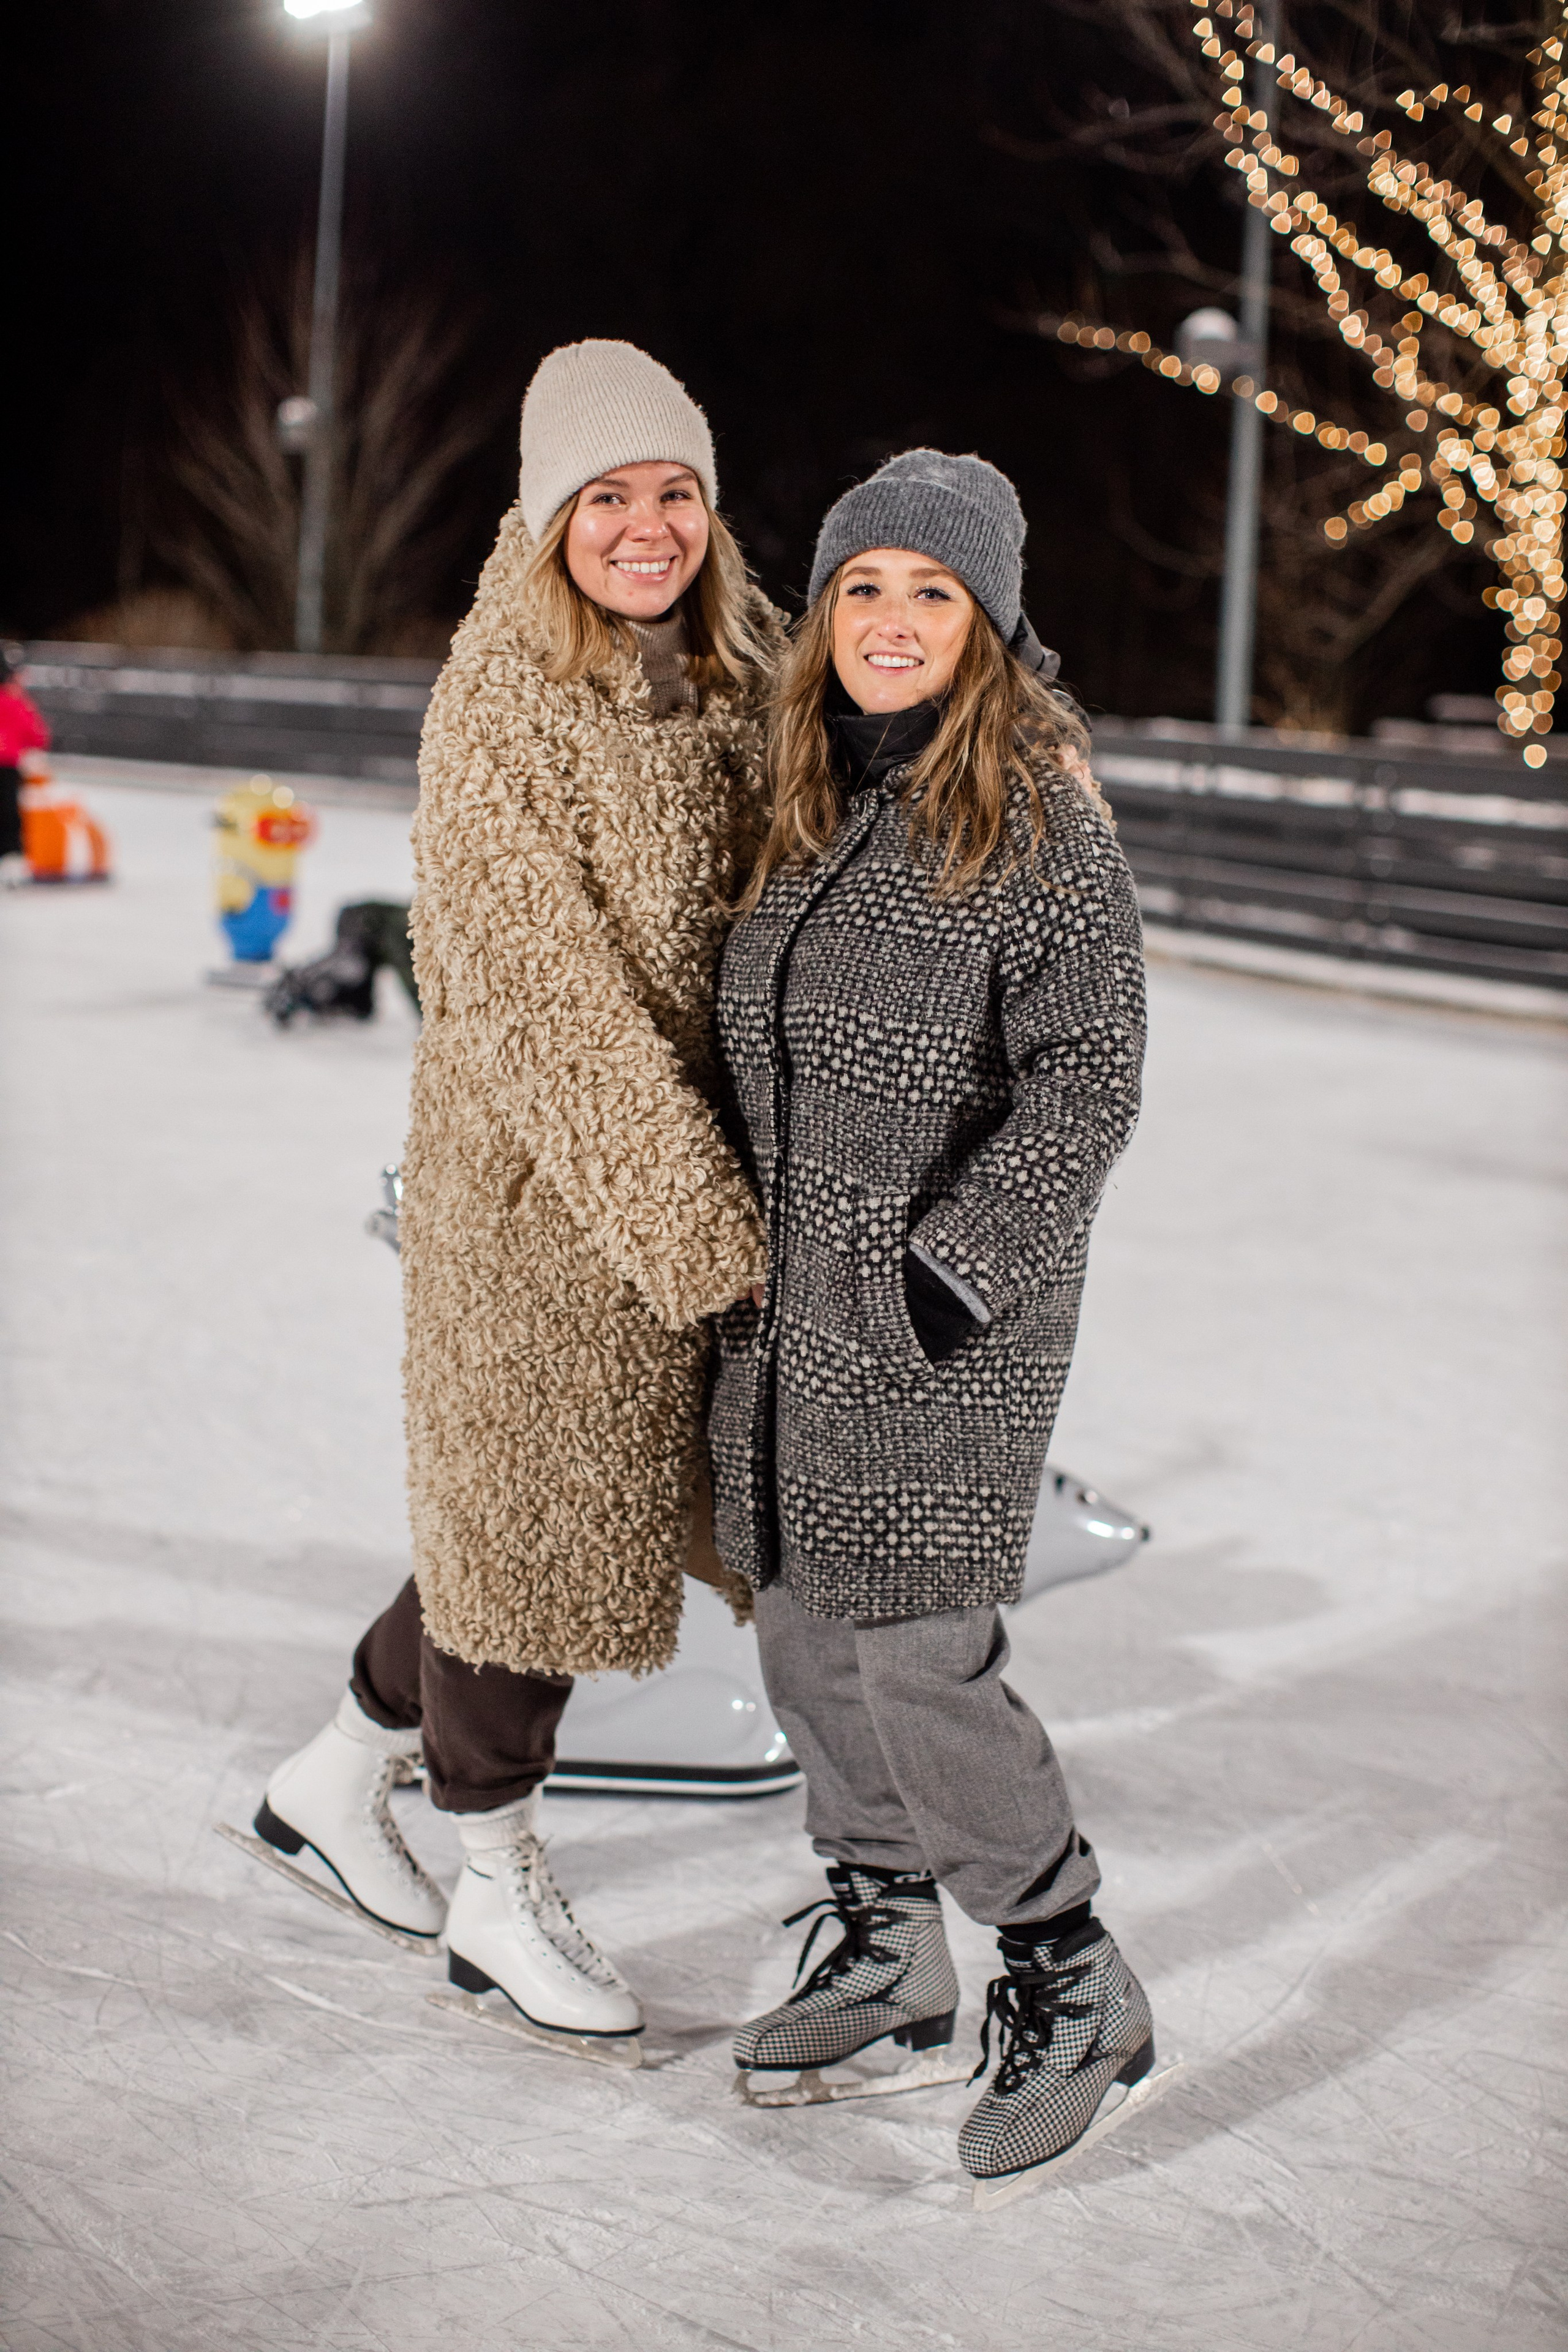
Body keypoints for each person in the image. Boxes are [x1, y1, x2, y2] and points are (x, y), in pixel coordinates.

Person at [247, 342, 783, 2052]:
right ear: (547, 516)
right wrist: (709, 1239)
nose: (645, 527)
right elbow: (552, 1012)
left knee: (535, 1518)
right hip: (545, 1195)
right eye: (606, 498)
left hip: (689, 1178)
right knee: (540, 1535)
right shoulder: (500, 699)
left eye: (672, 492)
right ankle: (497, 1881)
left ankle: (335, 1777)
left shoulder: (733, 670)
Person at [709, 450, 1153, 2186]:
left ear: (989, 622)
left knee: (914, 1651)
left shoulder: (1034, 816)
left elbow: (1090, 1079)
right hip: (784, 1314)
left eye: (932, 594)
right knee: (806, 1633)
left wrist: (946, 1268)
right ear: (825, 614)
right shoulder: (813, 790)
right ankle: (888, 1942)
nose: (893, 622)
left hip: (942, 1317)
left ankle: (1067, 1971)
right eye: (867, 589)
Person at [0, 649, 50, 886]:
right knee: (10, 814)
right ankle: (11, 862)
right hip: (8, 767)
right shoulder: (16, 703)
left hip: (8, 765)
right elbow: (38, 736)